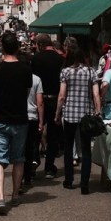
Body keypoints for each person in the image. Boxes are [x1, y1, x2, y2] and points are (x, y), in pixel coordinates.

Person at [0, 29, 32, 215]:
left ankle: (0, 197)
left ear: (3, 48)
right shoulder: (25, 69)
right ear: (18, 48)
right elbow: (27, 93)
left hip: (1, 118)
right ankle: (15, 194)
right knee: (18, 158)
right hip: (20, 118)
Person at [55, 46, 101, 194]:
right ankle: (84, 184)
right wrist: (98, 110)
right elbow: (96, 94)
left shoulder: (65, 72)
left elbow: (62, 96)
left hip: (69, 114)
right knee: (86, 148)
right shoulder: (91, 71)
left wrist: (57, 113)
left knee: (68, 147)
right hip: (85, 115)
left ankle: (69, 180)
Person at [31, 33, 64, 179]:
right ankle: (49, 167)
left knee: (36, 132)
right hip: (56, 98)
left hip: (39, 98)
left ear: (40, 45)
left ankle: (34, 160)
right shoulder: (60, 59)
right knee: (52, 134)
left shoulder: (36, 58)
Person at [23, 69, 44, 187]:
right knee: (30, 147)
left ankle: (19, 177)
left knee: (20, 148)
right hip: (32, 116)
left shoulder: (15, 77)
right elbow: (40, 102)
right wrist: (41, 121)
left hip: (18, 116)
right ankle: (28, 176)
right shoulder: (36, 79)